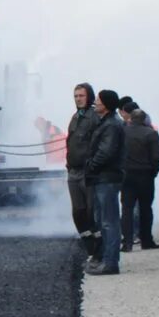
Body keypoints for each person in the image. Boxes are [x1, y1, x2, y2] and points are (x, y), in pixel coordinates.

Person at [83, 89, 127, 276]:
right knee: (104, 220)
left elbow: (105, 152)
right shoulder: (107, 123)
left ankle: (110, 263)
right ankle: (106, 259)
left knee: (109, 222)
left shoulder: (111, 125)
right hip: (103, 177)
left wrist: (91, 166)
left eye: (99, 101)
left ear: (106, 105)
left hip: (107, 177)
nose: (95, 104)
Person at [64, 82, 100, 259]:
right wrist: (69, 166)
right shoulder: (75, 117)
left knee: (92, 211)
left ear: (89, 97)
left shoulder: (94, 117)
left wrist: (92, 165)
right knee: (78, 211)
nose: (78, 99)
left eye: (81, 96)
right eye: (76, 96)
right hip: (74, 172)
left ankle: (98, 251)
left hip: (88, 172)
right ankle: (89, 246)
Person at [119, 107, 159, 251]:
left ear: (131, 119)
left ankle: (127, 242)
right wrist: (153, 172)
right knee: (145, 208)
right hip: (145, 176)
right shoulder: (151, 134)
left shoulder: (123, 132)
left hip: (126, 176)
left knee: (127, 209)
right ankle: (147, 240)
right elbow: (157, 157)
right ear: (144, 120)